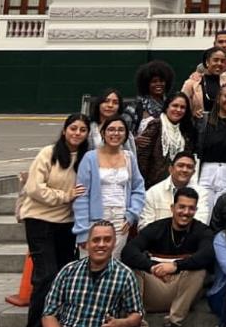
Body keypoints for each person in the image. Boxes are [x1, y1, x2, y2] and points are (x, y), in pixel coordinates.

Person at [11, 221, 143, 327]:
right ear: (87, 244)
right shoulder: (69, 270)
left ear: (114, 243)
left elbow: (137, 314)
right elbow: (49, 314)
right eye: (96, 240)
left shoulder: (125, 275)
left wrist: (121, 323)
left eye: (107, 240)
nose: (101, 244)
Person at [21, 114, 89, 327]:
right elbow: (33, 188)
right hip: (39, 220)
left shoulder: (86, 158)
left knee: (64, 276)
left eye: (82, 130)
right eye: (73, 128)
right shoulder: (48, 153)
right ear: (64, 131)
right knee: (46, 275)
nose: (77, 133)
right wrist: (65, 196)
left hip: (67, 224)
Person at [122, 186, 214, 327]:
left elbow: (208, 255)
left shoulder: (202, 231)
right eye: (181, 207)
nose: (186, 212)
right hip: (155, 286)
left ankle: (172, 324)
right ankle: (137, 325)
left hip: (183, 292)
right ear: (172, 208)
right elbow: (128, 251)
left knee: (200, 270)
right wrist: (151, 267)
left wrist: (176, 266)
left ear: (195, 210)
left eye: (191, 208)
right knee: (133, 270)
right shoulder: (156, 228)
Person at [73, 116, 145, 258]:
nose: (116, 133)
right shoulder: (90, 158)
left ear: (126, 134)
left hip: (120, 220)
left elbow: (138, 189)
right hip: (93, 220)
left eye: (120, 130)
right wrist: (82, 231)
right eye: (111, 129)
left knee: (114, 262)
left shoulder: (129, 157)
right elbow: (81, 196)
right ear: (103, 133)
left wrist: (131, 215)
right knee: (90, 262)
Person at [135, 92, 196, 189]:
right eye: (175, 106)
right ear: (167, 107)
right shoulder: (155, 125)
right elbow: (142, 159)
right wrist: (142, 186)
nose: (178, 110)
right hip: (153, 185)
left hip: (179, 185)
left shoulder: (187, 129)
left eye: (182, 107)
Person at [139, 150, 207, 228]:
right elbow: (144, 225)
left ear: (193, 172)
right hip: (156, 235)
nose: (184, 170)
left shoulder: (201, 193)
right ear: (171, 169)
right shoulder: (153, 193)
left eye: (189, 167)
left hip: (189, 235)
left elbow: (201, 223)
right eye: (180, 165)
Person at [182, 47, 226, 119]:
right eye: (215, 60)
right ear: (207, 62)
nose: (219, 63)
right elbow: (181, 105)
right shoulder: (191, 83)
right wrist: (193, 114)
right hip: (199, 124)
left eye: (222, 61)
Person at [130, 60, 175, 133]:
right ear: (146, 84)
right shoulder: (137, 106)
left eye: (161, 81)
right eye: (154, 81)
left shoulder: (171, 105)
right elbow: (125, 130)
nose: (158, 84)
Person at [87, 90, 137, 154]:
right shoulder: (88, 128)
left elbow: (131, 156)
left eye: (115, 102)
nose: (110, 105)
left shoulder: (124, 130)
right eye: (106, 101)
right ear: (99, 104)